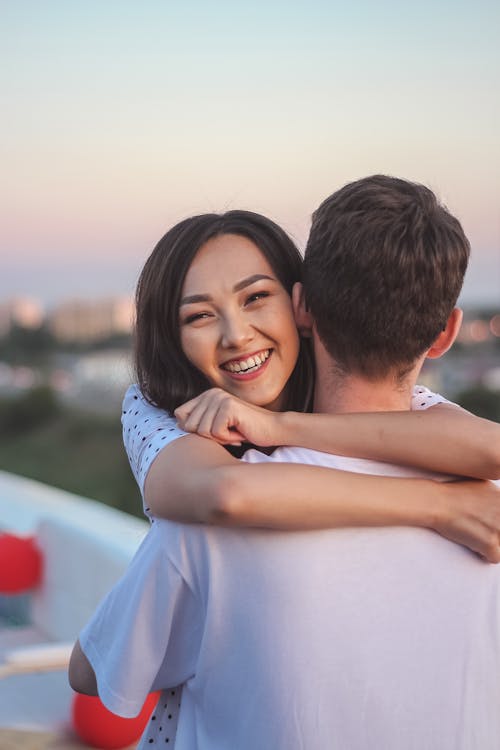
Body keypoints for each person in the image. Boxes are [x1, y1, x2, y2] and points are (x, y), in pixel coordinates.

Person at [70, 181, 500, 749]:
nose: (235, 333)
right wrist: (440, 505)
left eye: (255, 297)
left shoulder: (208, 535)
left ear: (301, 307)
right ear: (446, 332)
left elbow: (94, 670)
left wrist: (280, 430)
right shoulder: (481, 495)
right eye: (199, 314)